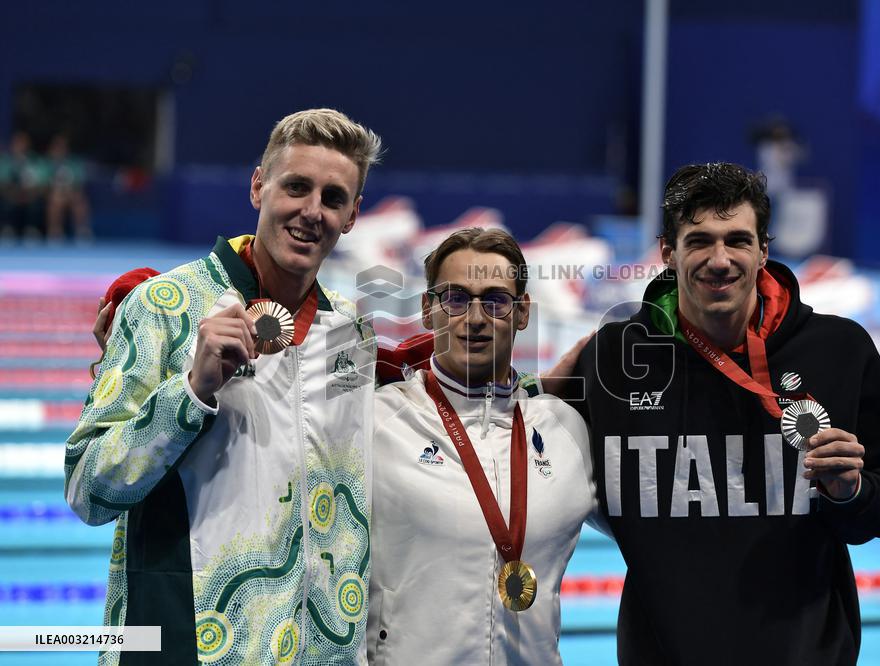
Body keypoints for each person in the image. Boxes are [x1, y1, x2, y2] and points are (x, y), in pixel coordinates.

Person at [569, 162, 880, 664]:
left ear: (764, 250)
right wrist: (532, 392)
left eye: (738, 240)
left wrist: (852, 494)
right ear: (667, 253)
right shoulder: (617, 358)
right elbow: (540, 466)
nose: (720, 259)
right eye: (699, 241)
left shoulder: (837, 350)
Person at [65, 108, 382, 665]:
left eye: (333, 198)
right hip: (189, 646)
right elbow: (87, 490)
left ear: (352, 216)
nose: (312, 212)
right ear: (258, 186)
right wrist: (190, 392)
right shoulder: (163, 307)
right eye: (296, 187)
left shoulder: (350, 332)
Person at [368, 227, 598, 664]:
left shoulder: (566, 431)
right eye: (455, 298)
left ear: (523, 312)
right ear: (427, 309)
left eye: (495, 300)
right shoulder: (378, 420)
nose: (474, 318)